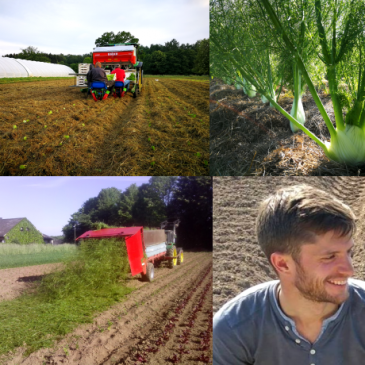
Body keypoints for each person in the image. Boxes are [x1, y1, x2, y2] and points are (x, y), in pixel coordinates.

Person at [213, 184, 365, 365]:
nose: (349, 270)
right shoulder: (233, 329)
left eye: (349, 253)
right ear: (283, 264)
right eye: (330, 257)